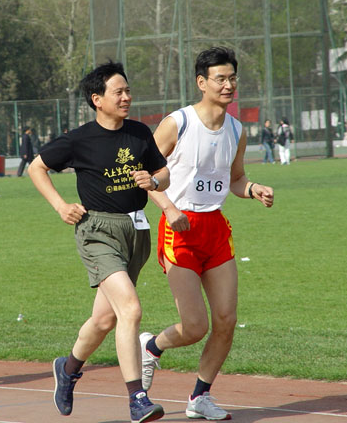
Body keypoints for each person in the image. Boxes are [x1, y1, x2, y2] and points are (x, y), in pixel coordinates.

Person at [28, 61, 169, 423]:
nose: (126, 97)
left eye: (128, 91)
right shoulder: (79, 139)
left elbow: (163, 172)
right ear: (97, 99)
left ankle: (68, 369)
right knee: (130, 310)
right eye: (118, 92)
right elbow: (36, 167)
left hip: (136, 231)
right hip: (97, 232)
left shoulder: (139, 133)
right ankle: (137, 399)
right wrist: (61, 206)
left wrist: (154, 182)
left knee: (104, 319)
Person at [139, 47, 274, 421]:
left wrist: (254, 189)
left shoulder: (236, 129)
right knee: (195, 326)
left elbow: (235, 179)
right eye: (220, 78)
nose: (228, 85)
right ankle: (151, 347)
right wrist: (169, 208)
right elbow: (144, 176)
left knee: (226, 320)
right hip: (179, 229)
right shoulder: (177, 123)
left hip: (215, 229)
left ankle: (200, 397)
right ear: (202, 82)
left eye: (232, 78)